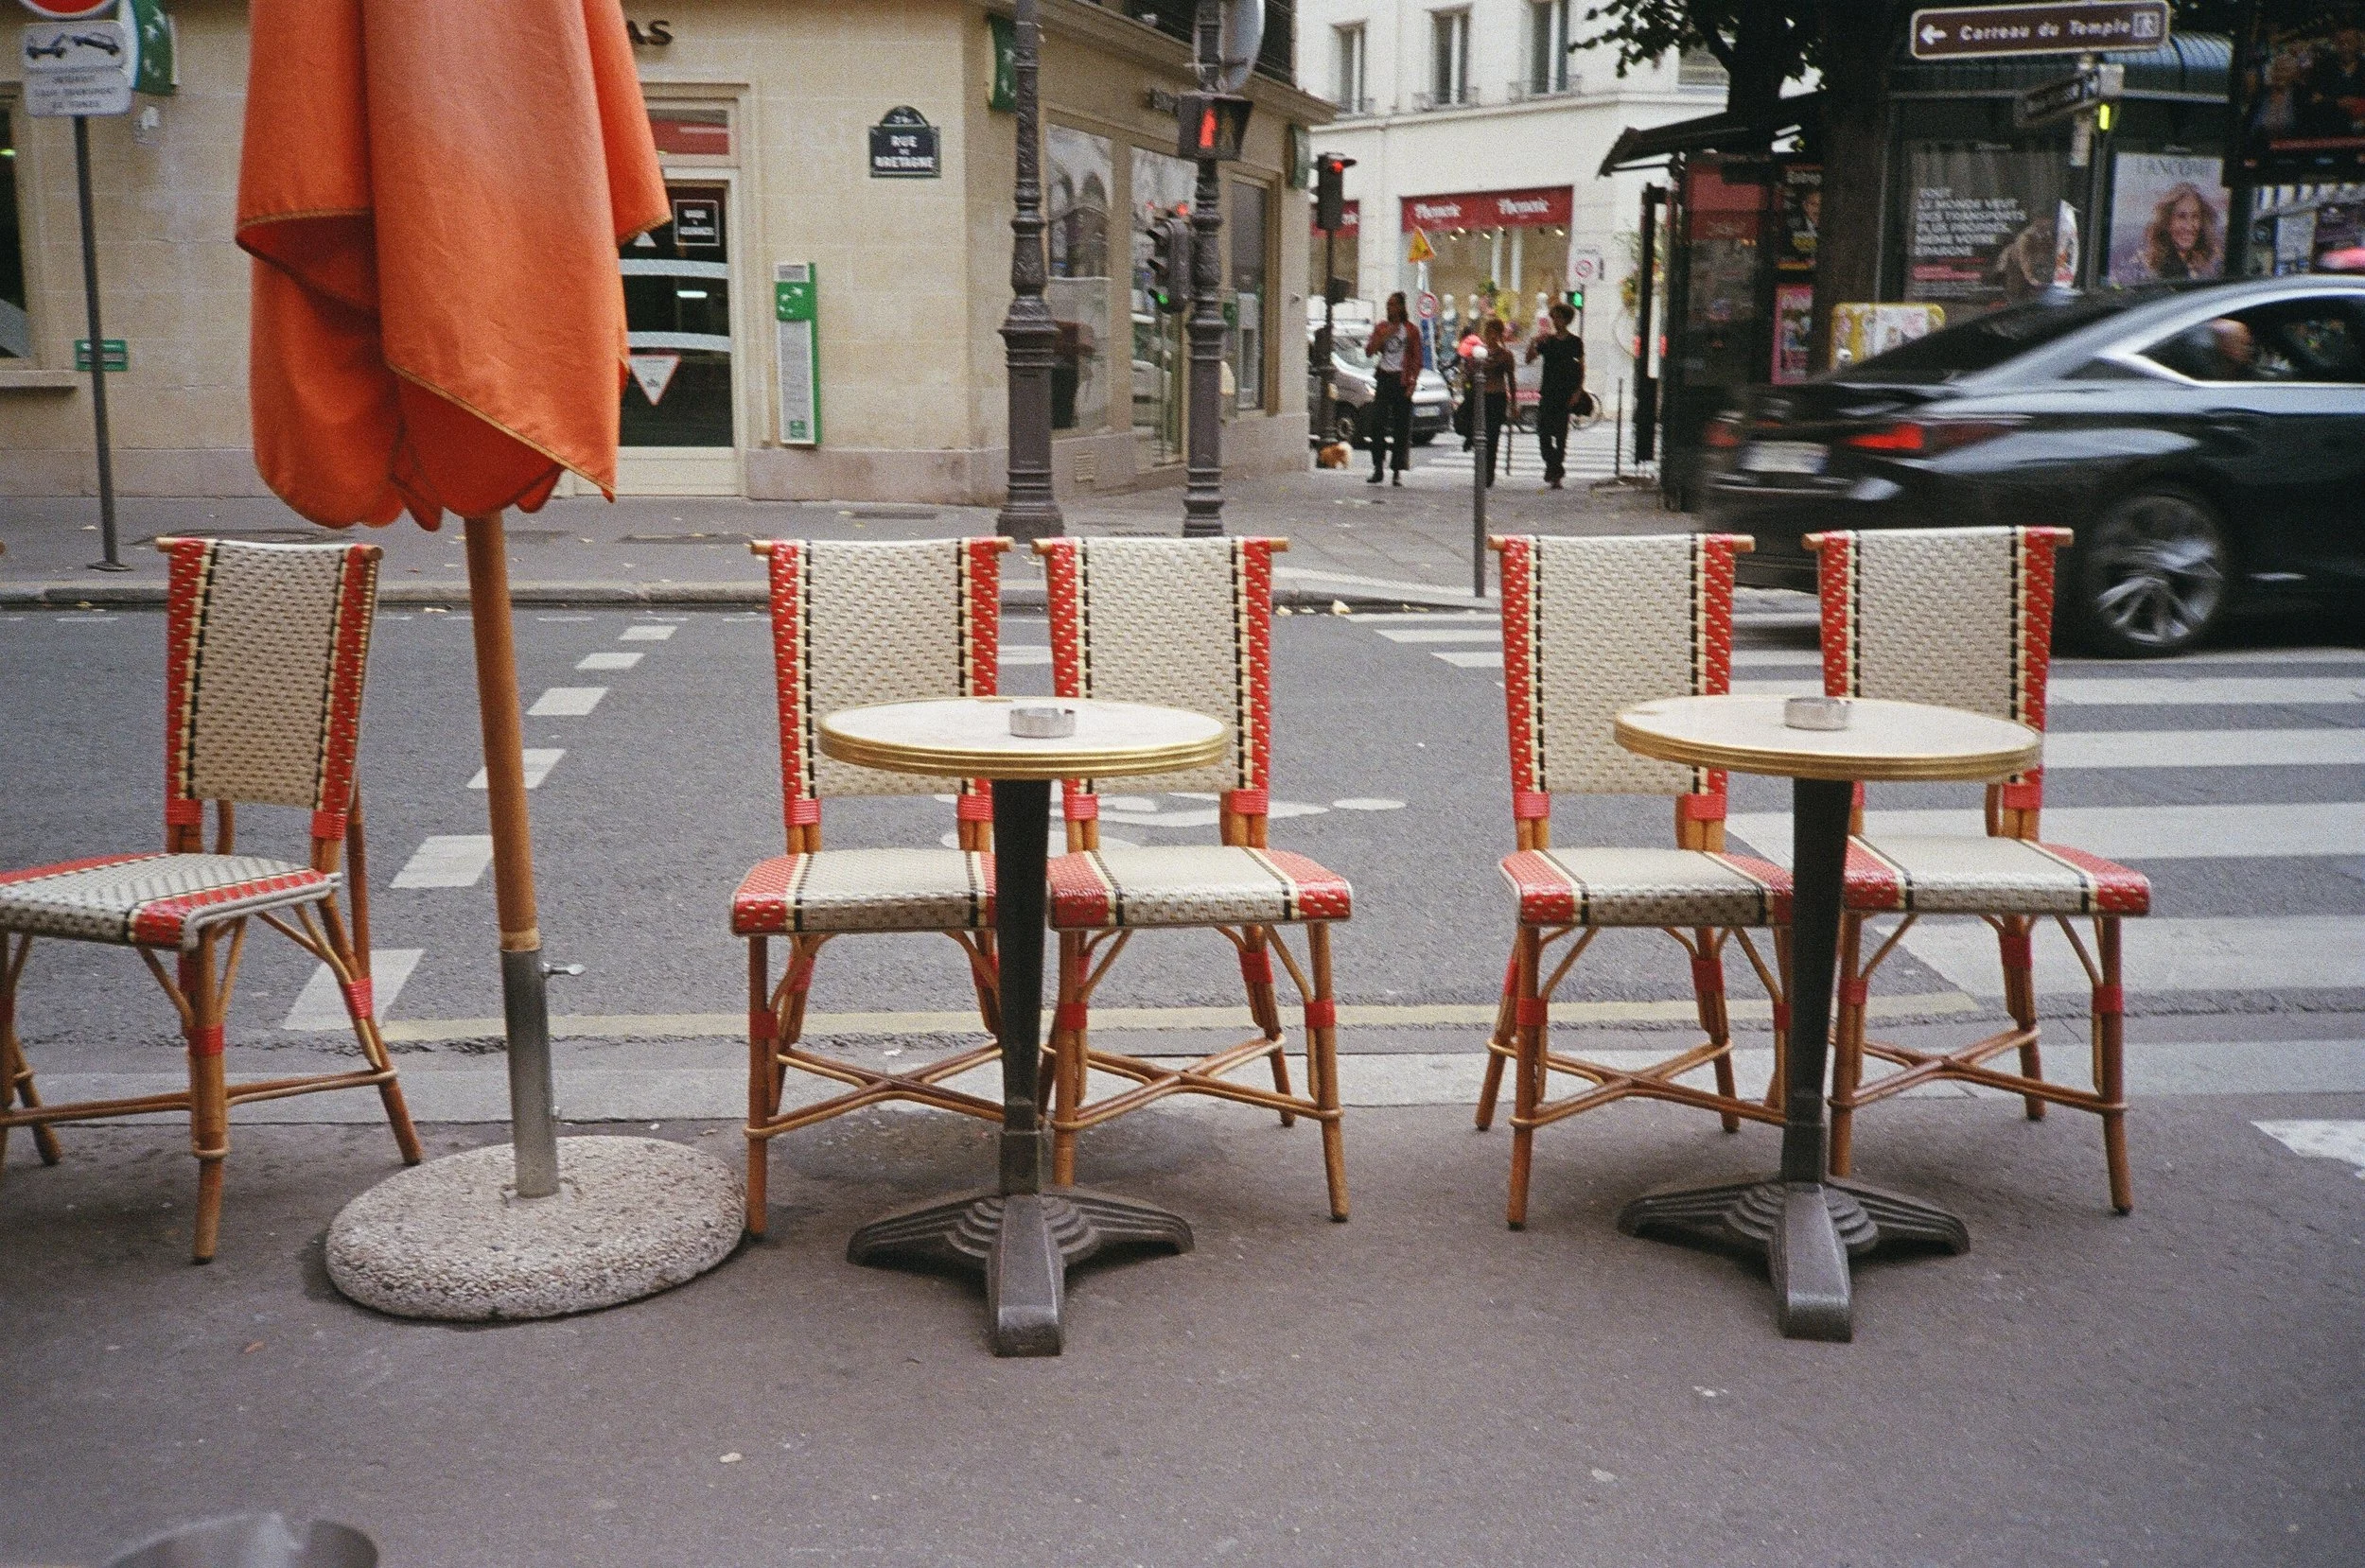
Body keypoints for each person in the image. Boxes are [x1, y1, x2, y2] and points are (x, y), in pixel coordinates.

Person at [1362, 292, 1421, 486]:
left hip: (1401, 380)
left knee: (1401, 428)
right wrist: (1386, 334)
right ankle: (1378, 467)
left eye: (1393, 305)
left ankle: (1396, 470)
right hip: (1384, 378)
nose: (1389, 308)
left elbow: (1417, 359)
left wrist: (1412, 384)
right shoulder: (1381, 328)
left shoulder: (1411, 330)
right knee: (1377, 423)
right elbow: (1369, 351)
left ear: (1401, 307)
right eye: (1387, 305)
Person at [1524, 301, 1585, 489]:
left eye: (1559, 317)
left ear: (1566, 320)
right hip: (1548, 392)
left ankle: (1555, 471)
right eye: (1554, 317)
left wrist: (1578, 391)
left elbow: (1581, 367)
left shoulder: (1575, 342)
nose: (1556, 320)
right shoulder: (1547, 341)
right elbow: (1529, 359)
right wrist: (1534, 342)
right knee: (1543, 432)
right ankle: (1554, 466)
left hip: (1565, 394)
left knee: (1560, 435)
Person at [2143, 183, 2222, 281]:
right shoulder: (2159, 275)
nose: (2189, 226)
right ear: (2167, 223)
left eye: (2195, 216)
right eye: (2181, 216)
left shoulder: (2207, 270)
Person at [1474, 317, 1515, 486]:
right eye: (1488, 332)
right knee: (1478, 437)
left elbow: (1511, 379)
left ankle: (1488, 474)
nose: (1490, 336)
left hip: (1497, 397)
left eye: (1494, 332)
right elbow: (1471, 374)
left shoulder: (1505, 355)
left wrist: (1513, 403)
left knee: (1492, 436)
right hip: (1481, 397)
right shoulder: (1479, 353)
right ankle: (1480, 472)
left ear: (1499, 335)